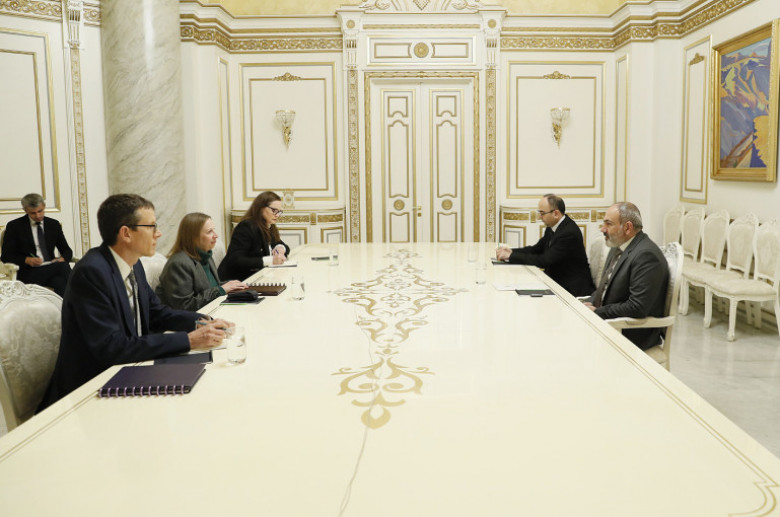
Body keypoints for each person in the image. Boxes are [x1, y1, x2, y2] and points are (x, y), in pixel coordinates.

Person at [38, 194, 231, 409]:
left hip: (132, 370)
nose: (158, 233)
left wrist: (202, 321)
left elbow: (157, 313)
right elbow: (112, 348)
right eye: (151, 226)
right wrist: (188, 340)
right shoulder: (92, 272)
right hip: (91, 391)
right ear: (126, 233)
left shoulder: (134, 264)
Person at [584, 202, 669, 350]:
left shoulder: (646, 255)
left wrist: (597, 312)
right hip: (610, 321)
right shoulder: (618, 245)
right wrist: (588, 303)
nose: (603, 229)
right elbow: (604, 288)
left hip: (630, 333)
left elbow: (637, 307)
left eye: (609, 224)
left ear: (627, 227)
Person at [495, 194, 594, 296]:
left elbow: (545, 260)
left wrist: (511, 256)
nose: (540, 217)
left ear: (556, 213)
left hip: (571, 288)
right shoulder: (553, 226)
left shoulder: (569, 233)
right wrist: (511, 251)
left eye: (542, 213)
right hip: (555, 282)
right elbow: (536, 249)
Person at [157, 212, 247, 310]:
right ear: (193, 237)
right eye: (209, 232)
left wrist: (231, 285)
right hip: (191, 318)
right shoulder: (179, 264)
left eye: (214, 230)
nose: (216, 235)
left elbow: (210, 288)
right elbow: (185, 305)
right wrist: (221, 290)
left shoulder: (206, 255)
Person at [1, 193, 73, 296]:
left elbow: (67, 251)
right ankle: (84, 297)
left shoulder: (53, 224)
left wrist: (62, 258)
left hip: (50, 268)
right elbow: (6, 256)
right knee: (62, 267)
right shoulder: (15, 226)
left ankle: (67, 307)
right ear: (26, 210)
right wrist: (26, 260)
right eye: (33, 213)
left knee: (60, 282)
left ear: (44, 206)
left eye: (40, 211)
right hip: (27, 272)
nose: (38, 216)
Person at [218, 191, 290, 281]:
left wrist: (280, 248)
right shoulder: (246, 227)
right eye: (274, 210)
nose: (277, 215)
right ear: (261, 208)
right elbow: (235, 260)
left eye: (279, 212)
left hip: (256, 277)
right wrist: (271, 260)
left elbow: (284, 246)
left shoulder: (268, 226)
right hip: (237, 280)